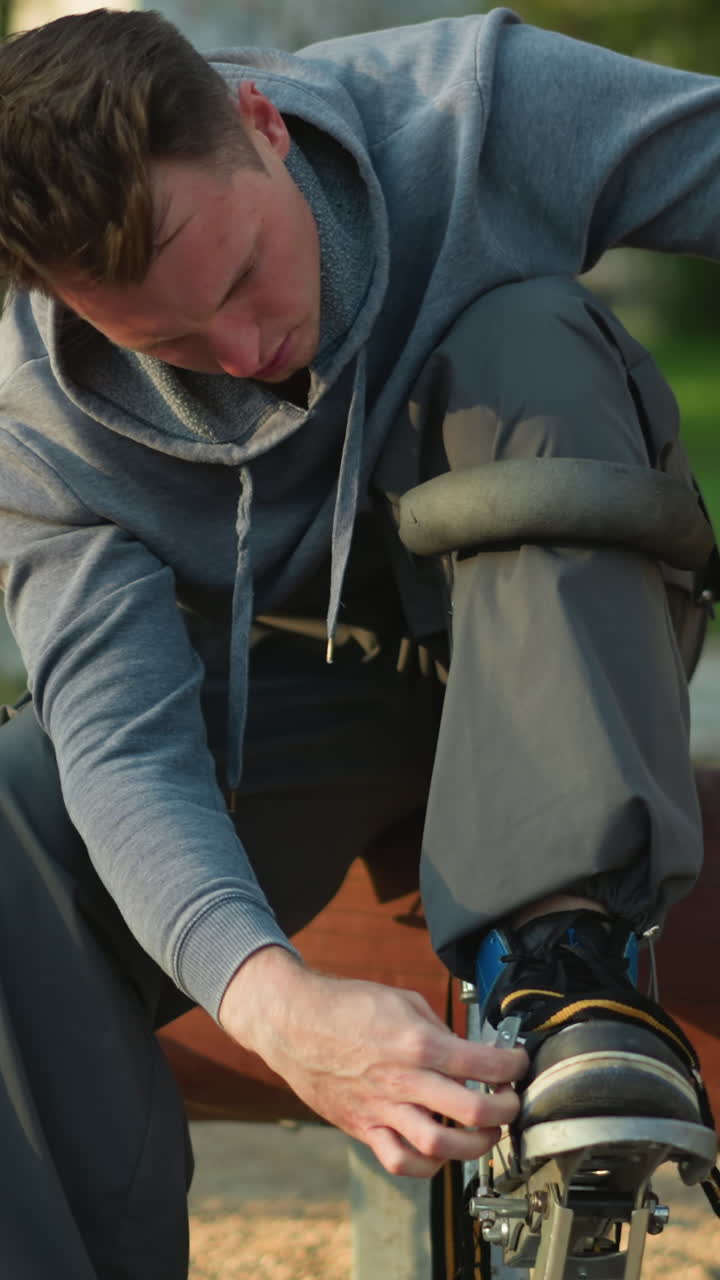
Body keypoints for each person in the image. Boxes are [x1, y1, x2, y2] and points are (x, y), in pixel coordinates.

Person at [0, 6, 718, 1276]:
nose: (242, 352)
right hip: (294, 701)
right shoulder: (35, 414)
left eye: (240, 276)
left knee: (524, 331)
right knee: (16, 815)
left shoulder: (469, 108)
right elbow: (121, 739)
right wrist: (277, 1005)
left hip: (560, 625)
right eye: (166, 342)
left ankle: (568, 974)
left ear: (262, 122)